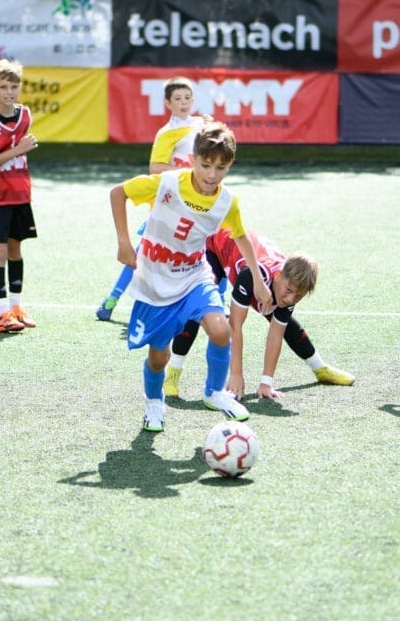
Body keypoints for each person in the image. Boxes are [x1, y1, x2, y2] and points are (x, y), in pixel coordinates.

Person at [110, 121, 272, 432]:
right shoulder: (167, 183)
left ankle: (214, 392)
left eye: (221, 168)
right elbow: (118, 193)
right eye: (206, 165)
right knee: (159, 357)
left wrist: (259, 281)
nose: (212, 175)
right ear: (192, 159)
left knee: (221, 330)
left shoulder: (227, 202)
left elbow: (241, 237)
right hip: (155, 283)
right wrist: (123, 242)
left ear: (230, 166)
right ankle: (153, 402)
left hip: (194, 277)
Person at [165, 229, 355, 401]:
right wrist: (236, 374)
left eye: (298, 296)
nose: (291, 299)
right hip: (213, 246)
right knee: (199, 306)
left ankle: (319, 368)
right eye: (289, 291)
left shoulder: (289, 286)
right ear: (278, 276)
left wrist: (266, 382)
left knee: (285, 322)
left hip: (255, 263)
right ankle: (173, 371)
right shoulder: (251, 276)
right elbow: (235, 325)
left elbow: (275, 335)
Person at [96, 75, 205, 321]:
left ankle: (215, 302)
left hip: (197, 200)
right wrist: (189, 173)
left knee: (208, 247)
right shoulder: (167, 133)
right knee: (146, 252)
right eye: (178, 98)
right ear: (167, 103)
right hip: (171, 201)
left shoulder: (201, 124)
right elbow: (155, 168)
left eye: (187, 97)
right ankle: (112, 298)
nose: (184, 102)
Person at [0, 59, 40, 333]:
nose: (9, 92)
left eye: (14, 87)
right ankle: (1, 313)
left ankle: (16, 308)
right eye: (3, 87)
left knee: (15, 249)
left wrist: (19, 151)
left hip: (20, 194)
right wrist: (18, 150)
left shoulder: (25, 115)